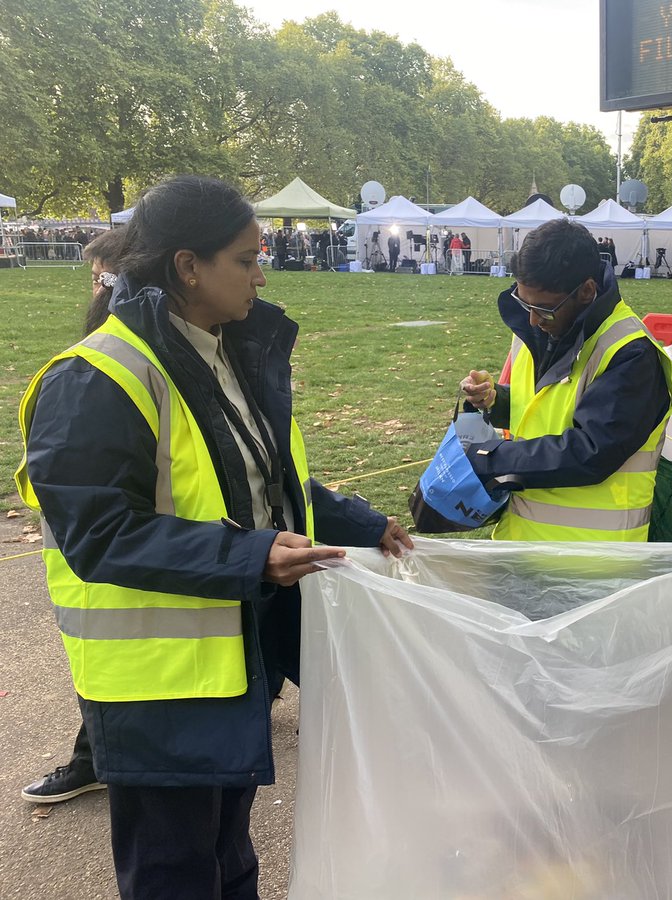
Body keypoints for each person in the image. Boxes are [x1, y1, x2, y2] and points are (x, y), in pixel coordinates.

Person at [15, 175, 413, 900]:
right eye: (245, 258)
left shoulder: (224, 349)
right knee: (174, 871)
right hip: (158, 681)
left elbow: (264, 478)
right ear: (187, 266)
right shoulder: (95, 378)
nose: (263, 273)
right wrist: (250, 555)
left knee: (229, 855)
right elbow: (97, 533)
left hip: (234, 650)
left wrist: (358, 522)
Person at [457, 219, 672, 541]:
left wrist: (491, 458)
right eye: (525, 303)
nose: (533, 319)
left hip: (592, 563)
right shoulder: (537, 325)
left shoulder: (631, 353)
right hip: (523, 545)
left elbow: (591, 451)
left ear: (587, 291)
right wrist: (496, 399)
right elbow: (542, 408)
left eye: (544, 309)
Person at [19, 226, 130, 806]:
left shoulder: (92, 372)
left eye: (98, 281)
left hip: (109, 586)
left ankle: (95, 757)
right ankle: (95, 754)